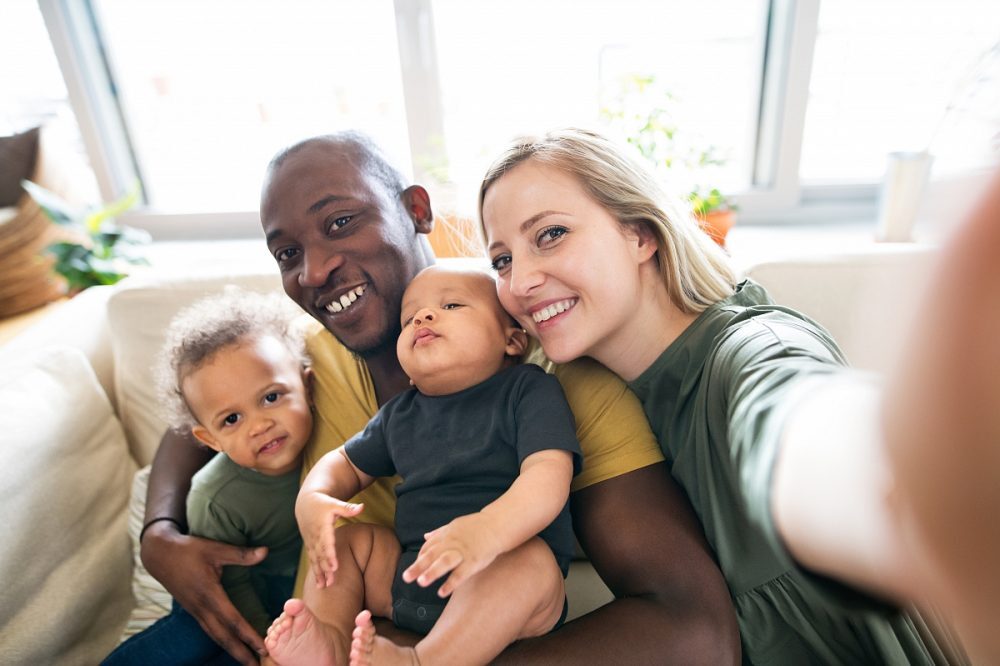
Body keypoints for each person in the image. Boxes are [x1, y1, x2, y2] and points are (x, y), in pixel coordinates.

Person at [139, 131, 740, 665]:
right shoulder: (312, 359)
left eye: (341, 221)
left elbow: (697, 634)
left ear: (416, 210)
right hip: (369, 607)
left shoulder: (555, 378)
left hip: (475, 610)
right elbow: (202, 410)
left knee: (523, 561)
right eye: (287, 254)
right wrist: (159, 532)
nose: (314, 271)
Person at [479, 127, 997, 663]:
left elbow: (801, 420)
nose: (520, 283)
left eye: (551, 234)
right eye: (502, 260)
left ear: (640, 235)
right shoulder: (575, 401)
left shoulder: (751, 349)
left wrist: (890, 488)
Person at [265, 264, 581, 665]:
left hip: (507, 588)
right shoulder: (400, 414)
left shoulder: (528, 390)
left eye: (451, 305)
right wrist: (312, 496)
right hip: (413, 576)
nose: (422, 318)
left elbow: (548, 477)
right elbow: (344, 461)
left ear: (512, 340)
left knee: (530, 560)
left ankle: (422, 660)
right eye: (409, 317)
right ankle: (331, 641)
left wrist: (488, 531)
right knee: (348, 544)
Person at [104, 289, 313, 665]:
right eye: (232, 419)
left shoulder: (333, 444)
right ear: (210, 440)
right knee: (191, 640)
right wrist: (265, 649)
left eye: (271, 397)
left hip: (290, 594)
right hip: (225, 598)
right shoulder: (214, 496)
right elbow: (229, 587)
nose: (259, 425)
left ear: (307, 386)